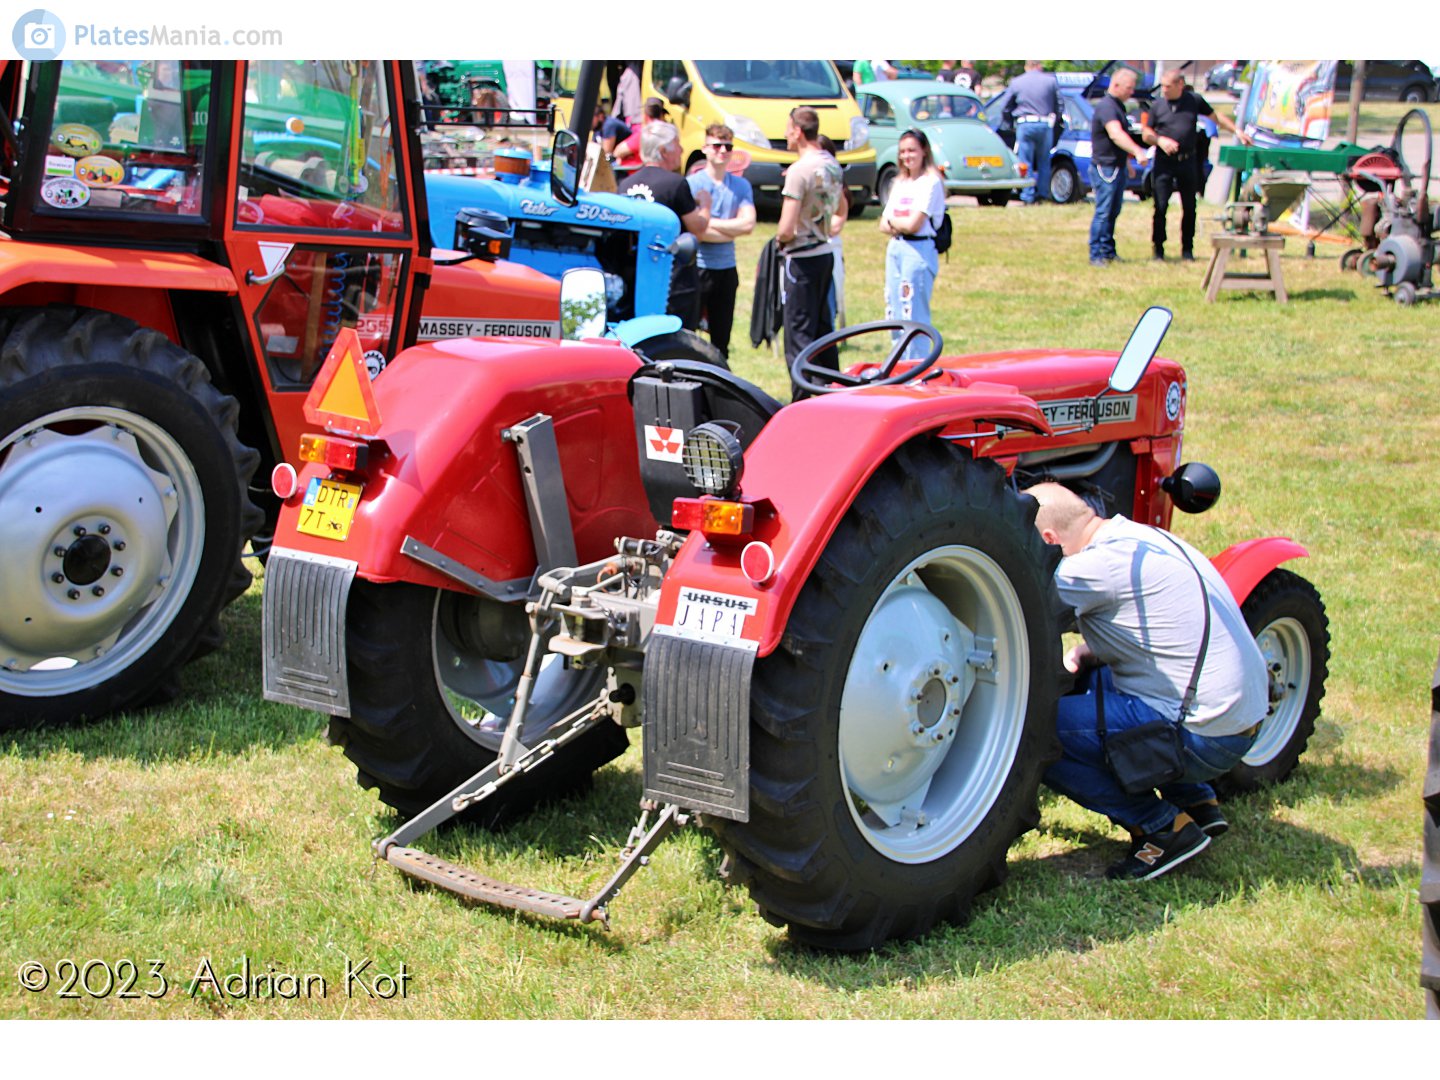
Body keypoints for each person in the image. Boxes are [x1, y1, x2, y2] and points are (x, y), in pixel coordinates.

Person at [1023, 483, 1269, 881]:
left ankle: (1161, 828)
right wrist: (1088, 651)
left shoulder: (1090, 568)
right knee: (1094, 677)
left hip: (1204, 737)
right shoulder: (1141, 537)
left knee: (1034, 732)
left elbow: (1014, 607)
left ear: (1049, 540)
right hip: (1240, 719)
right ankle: (1196, 803)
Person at [1142, 69, 1252, 261]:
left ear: (1180, 85)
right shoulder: (1158, 105)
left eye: (1168, 86)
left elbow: (1216, 117)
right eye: (1163, 86)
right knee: (1160, 206)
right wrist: (1160, 141)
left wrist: (1237, 131)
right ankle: (1158, 250)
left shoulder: (1193, 101)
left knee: (1189, 207)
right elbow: (1146, 133)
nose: (1164, 90)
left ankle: (1187, 249)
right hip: (1164, 162)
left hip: (1187, 161)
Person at [618, 121, 711, 329]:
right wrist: (706, 205)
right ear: (663, 151)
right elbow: (698, 231)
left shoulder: (625, 184)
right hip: (673, 282)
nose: (682, 150)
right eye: (677, 144)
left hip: (636, 279)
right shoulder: (676, 184)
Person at [776, 106, 844, 379]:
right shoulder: (832, 164)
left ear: (798, 131)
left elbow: (786, 228)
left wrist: (780, 238)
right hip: (825, 252)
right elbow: (840, 207)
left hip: (801, 258)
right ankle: (832, 387)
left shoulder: (799, 170)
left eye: (787, 129)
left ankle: (802, 395)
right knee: (822, 329)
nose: (785, 135)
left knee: (798, 335)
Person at [686, 123, 756, 358]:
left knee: (721, 340)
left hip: (727, 269)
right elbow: (694, 229)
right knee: (689, 335)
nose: (723, 151)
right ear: (705, 148)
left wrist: (707, 224)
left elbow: (748, 225)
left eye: (728, 146)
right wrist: (729, 229)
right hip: (698, 267)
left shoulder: (740, 186)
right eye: (717, 145)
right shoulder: (692, 184)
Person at [878, 129, 945, 358]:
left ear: (924, 151)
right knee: (895, 313)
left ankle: (917, 364)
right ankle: (899, 364)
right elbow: (883, 224)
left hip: (918, 251)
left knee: (914, 313)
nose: (907, 156)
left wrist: (895, 223)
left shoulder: (931, 183)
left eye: (912, 150)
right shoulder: (900, 182)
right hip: (896, 248)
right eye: (903, 151)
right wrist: (900, 224)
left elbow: (914, 224)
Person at [1088, 68, 1146, 267]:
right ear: (1116, 85)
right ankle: (1096, 254)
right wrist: (1137, 151)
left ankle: (1108, 251)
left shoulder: (1118, 106)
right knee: (1103, 212)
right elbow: (1115, 134)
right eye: (1129, 88)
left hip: (1117, 166)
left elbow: (1116, 141)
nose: (1132, 92)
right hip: (1105, 168)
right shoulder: (1107, 106)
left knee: (1113, 211)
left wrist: (1127, 163)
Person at [1004, 61, 1061, 205]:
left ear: (1026, 66)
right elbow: (1059, 105)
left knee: (1025, 161)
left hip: (1025, 124)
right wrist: (1057, 121)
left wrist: (1009, 123)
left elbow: (1005, 106)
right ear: (1039, 65)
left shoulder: (1017, 82)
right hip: (1045, 123)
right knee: (1044, 161)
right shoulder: (1050, 81)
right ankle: (1043, 194)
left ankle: (1027, 195)